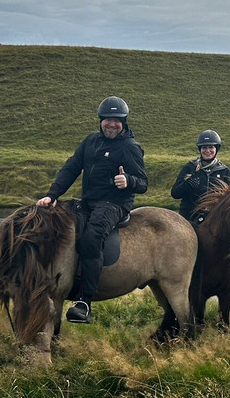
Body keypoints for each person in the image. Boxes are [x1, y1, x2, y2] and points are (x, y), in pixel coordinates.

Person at [36, 96, 148, 324]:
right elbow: (71, 168)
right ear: (101, 121)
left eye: (117, 120)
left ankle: (85, 303)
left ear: (124, 122)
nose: (112, 124)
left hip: (115, 204)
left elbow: (143, 182)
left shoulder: (130, 147)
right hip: (88, 202)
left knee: (91, 238)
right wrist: (52, 195)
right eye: (108, 120)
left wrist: (128, 180)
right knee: (57, 226)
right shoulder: (90, 142)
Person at [171, 129, 230, 291]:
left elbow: (228, 196)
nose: (207, 150)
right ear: (200, 149)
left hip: (213, 215)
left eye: (211, 148)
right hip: (191, 214)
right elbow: (175, 193)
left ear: (216, 149)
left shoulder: (223, 170)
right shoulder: (190, 168)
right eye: (204, 148)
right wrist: (188, 183)